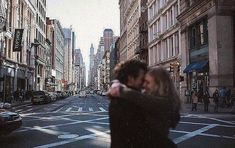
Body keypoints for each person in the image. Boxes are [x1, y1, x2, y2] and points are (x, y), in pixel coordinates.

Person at [108, 67, 181, 148]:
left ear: (159, 84)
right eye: (143, 81)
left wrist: (120, 89)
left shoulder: (166, 103)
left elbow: (140, 98)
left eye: (147, 82)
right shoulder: (152, 97)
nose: (143, 85)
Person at [108, 59, 148, 148]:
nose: (144, 83)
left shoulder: (120, 97)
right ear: (130, 78)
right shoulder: (129, 101)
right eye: (141, 79)